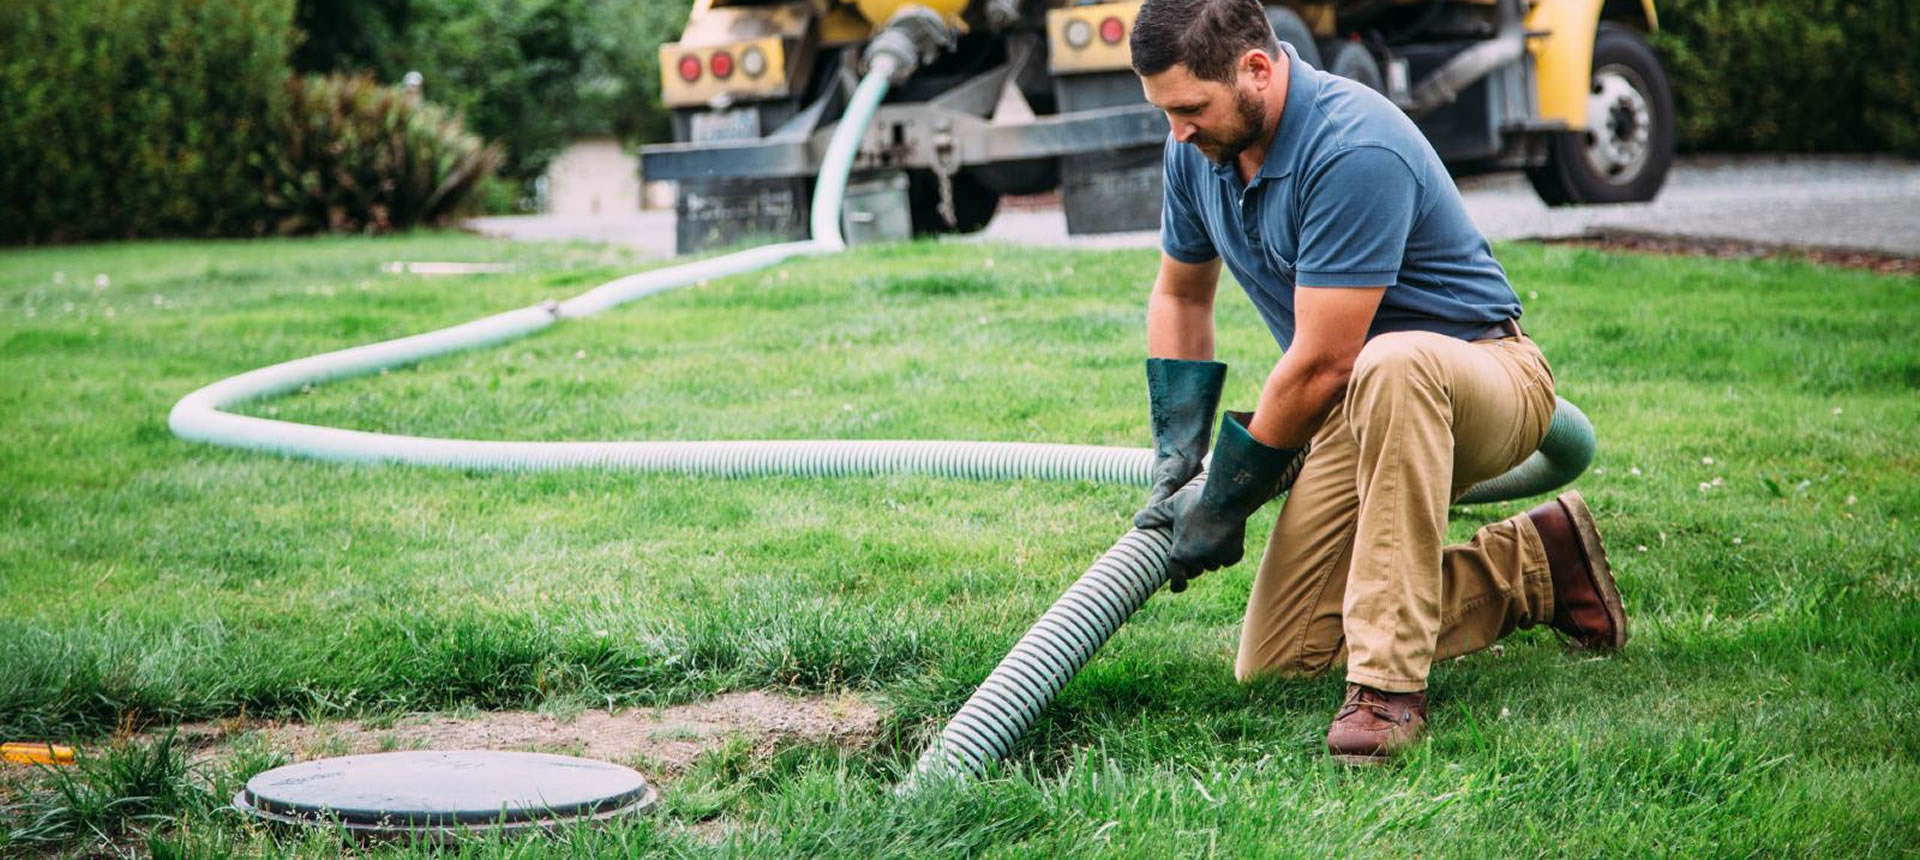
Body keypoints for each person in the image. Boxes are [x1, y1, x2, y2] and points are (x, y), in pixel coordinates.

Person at [1127, 0, 1629, 765]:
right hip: (1357, 405)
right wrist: (1179, 449)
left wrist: (1228, 495)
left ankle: (1389, 690)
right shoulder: (1198, 152)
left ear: (1256, 69)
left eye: (1190, 108)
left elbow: (1328, 359)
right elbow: (1181, 294)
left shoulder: (1353, 144)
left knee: (1390, 361)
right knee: (1281, 657)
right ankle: (1539, 568)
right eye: (1164, 112)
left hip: (1480, 378)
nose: (1178, 131)